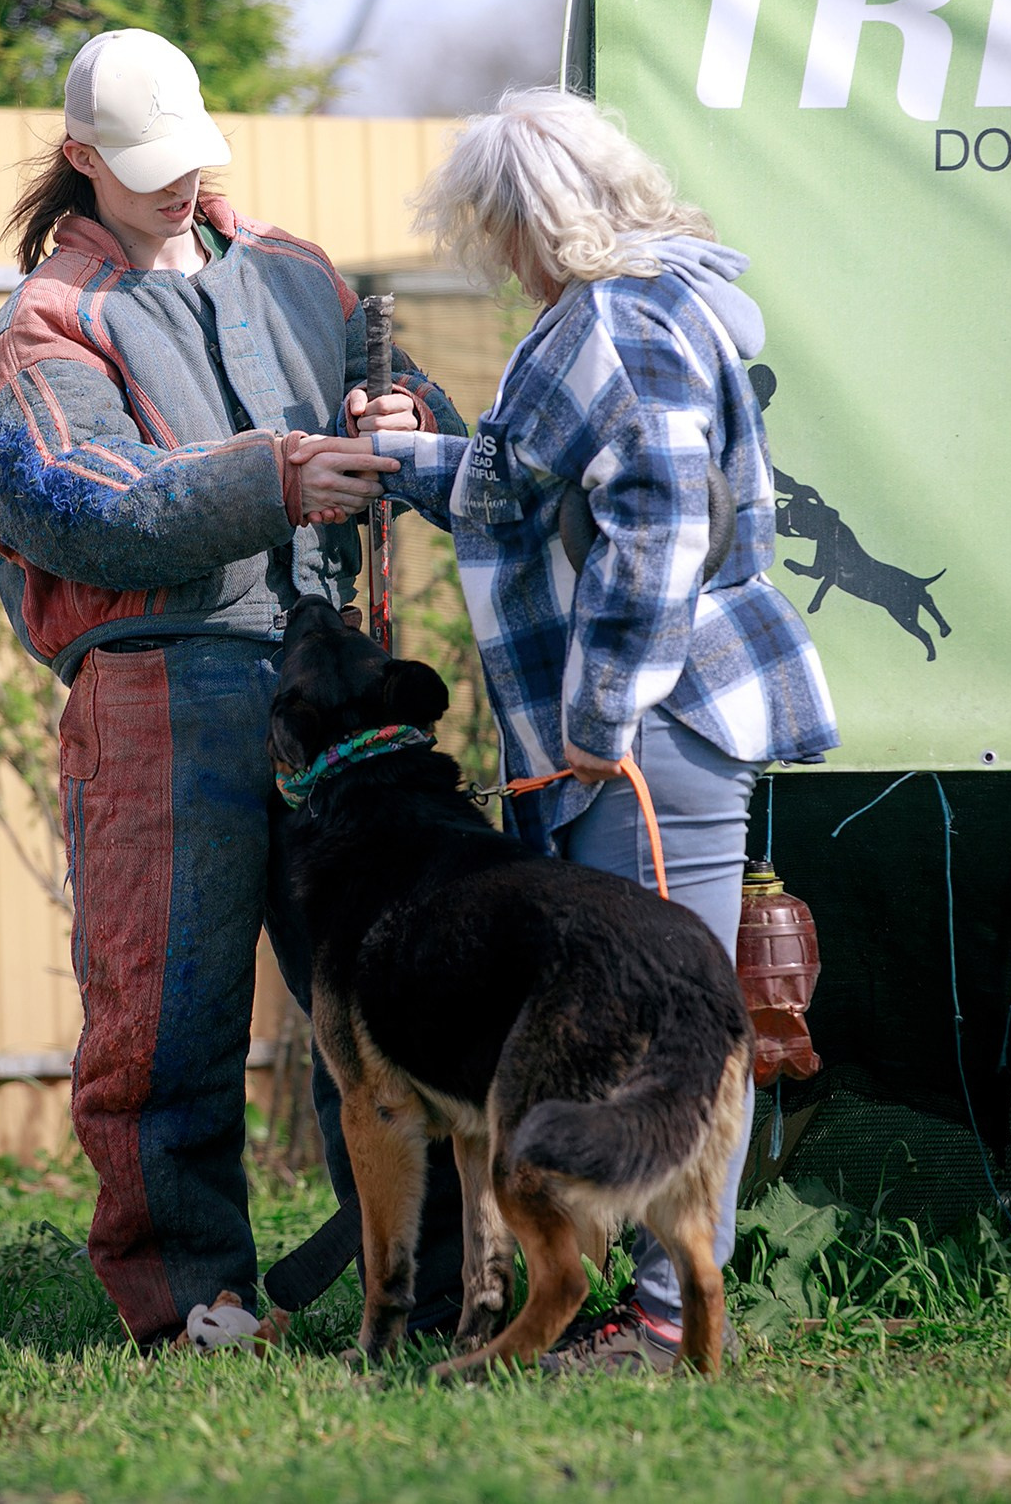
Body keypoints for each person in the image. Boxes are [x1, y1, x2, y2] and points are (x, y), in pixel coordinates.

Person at [0, 28, 467, 1350]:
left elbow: (399, 390)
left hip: (329, 682)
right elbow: (84, 504)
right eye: (145, 167)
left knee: (401, 983)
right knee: (164, 1008)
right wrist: (276, 476)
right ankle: (188, 1293)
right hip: (160, 696)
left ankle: (443, 1271)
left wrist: (406, 414)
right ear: (79, 162)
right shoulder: (46, 332)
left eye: (193, 158)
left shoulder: (294, 271)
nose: (180, 185)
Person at [329, 87, 841, 1371]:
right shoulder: (633, 310)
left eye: (496, 227)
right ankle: (645, 1312)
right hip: (628, 730)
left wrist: (600, 718)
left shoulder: (615, 321)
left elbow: (662, 521)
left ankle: (660, 1325)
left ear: (533, 217)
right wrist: (411, 461)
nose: (493, 254)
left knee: (660, 1043)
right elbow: (520, 489)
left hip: (642, 733)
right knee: (638, 1028)